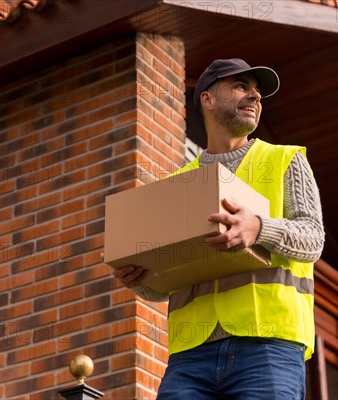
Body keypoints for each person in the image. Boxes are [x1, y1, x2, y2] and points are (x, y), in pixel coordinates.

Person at [112, 58, 325, 399]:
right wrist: (142, 279)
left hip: (268, 346)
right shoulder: (177, 184)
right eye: (241, 86)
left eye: (257, 92)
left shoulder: (284, 159)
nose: (254, 97)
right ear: (207, 100)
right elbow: (170, 279)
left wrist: (258, 227)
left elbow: (313, 238)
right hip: (189, 356)